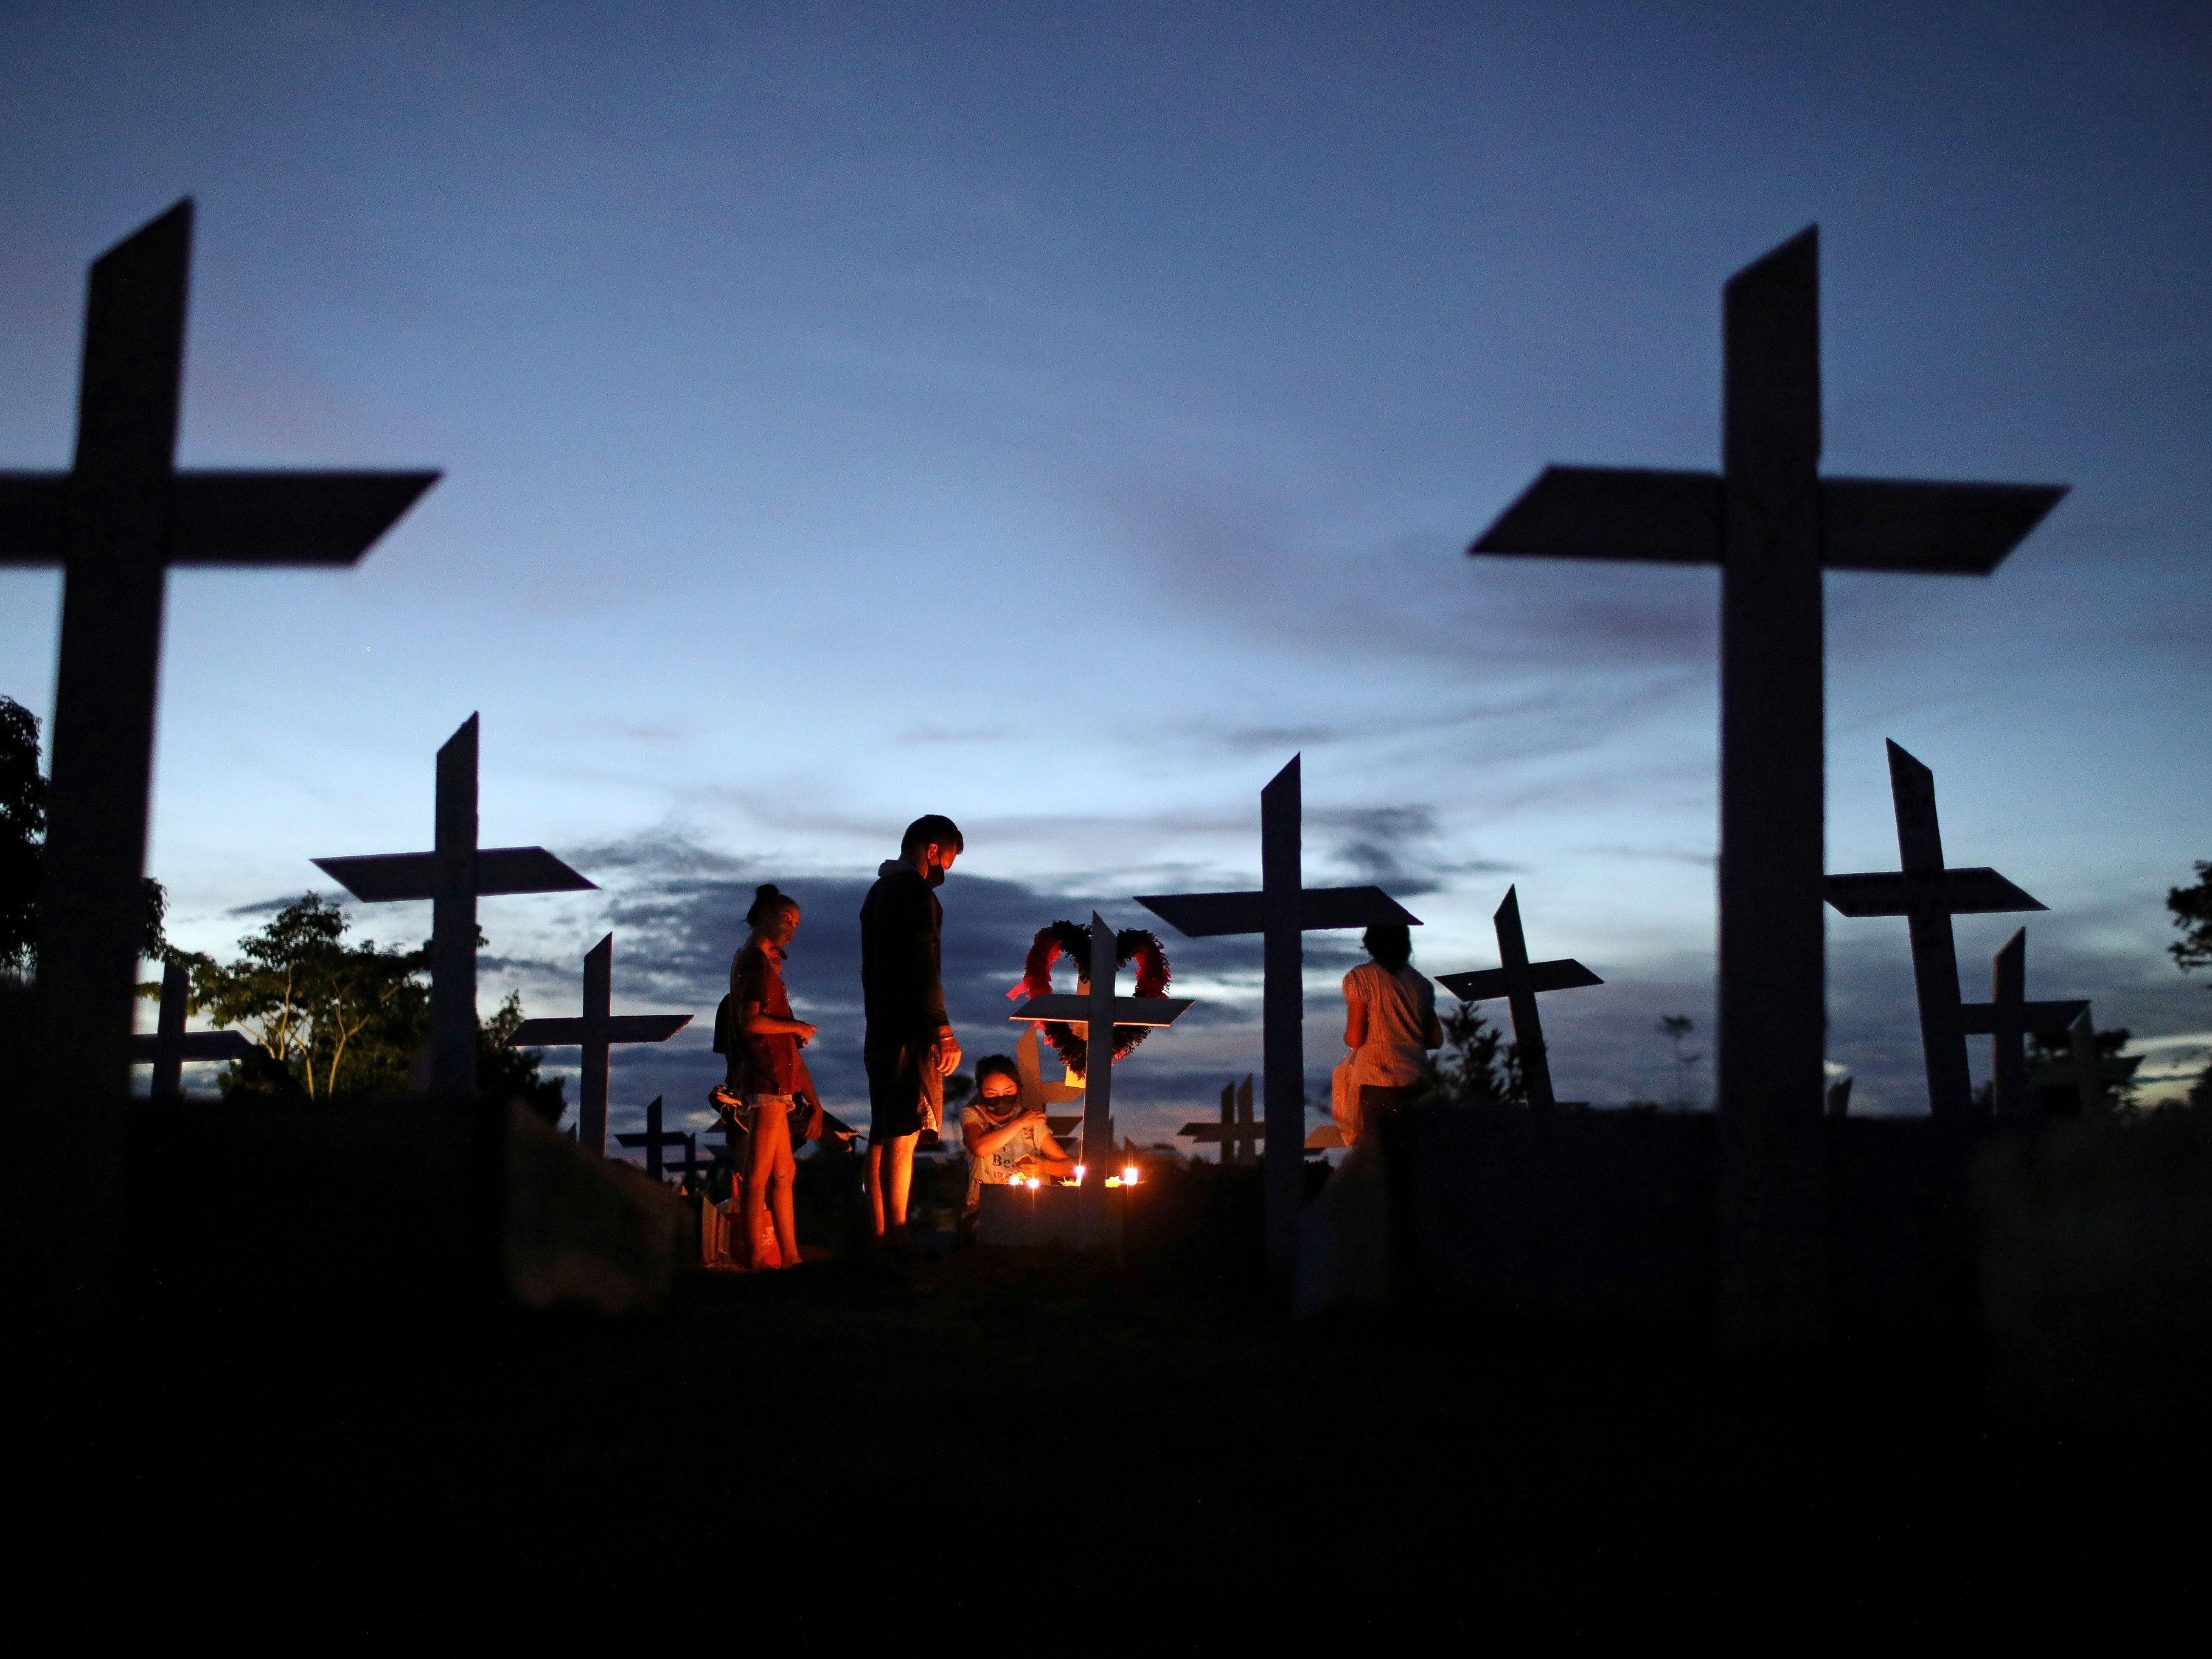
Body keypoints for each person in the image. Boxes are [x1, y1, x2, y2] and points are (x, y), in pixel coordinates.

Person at [860, 813, 964, 1242]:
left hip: (879, 1025)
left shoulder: (877, 892)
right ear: (932, 850)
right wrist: (941, 1027)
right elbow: (923, 964)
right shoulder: (914, 893)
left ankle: (881, 1231)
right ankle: (898, 1232)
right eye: (948, 859)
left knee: (883, 1130)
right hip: (909, 1030)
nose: (946, 872)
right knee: (903, 1130)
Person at [720, 883, 816, 1270]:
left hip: (776, 1077)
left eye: (795, 923)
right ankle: (757, 1259)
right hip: (766, 1077)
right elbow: (751, 1020)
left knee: (784, 1171)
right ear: (763, 916)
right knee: (758, 1174)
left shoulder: (751, 960)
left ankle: (790, 1256)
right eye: (785, 918)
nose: (791, 927)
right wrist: (795, 1027)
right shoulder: (755, 962)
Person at [1340, 922, 1442, 1143]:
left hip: (1378, 1082)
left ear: (1370, 944)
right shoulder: (1421, 984)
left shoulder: (1359, 979)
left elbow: (1355, 1038)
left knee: (1384, 1160)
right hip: (1418, 1079)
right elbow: (1436, 1039)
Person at [959, 1052, 1074, 1236]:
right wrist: (1019, 1123)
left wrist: (1043, 1166)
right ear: (980, 1091)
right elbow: (980, 1148)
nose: (1001, 1098)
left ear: (1018, 1089)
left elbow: (1070, 1168)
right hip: (985, 1211)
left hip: (1032, 1210)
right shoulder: (973, 1116)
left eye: (1008, 1091)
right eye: (992, 1093)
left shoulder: (1032, 1122)